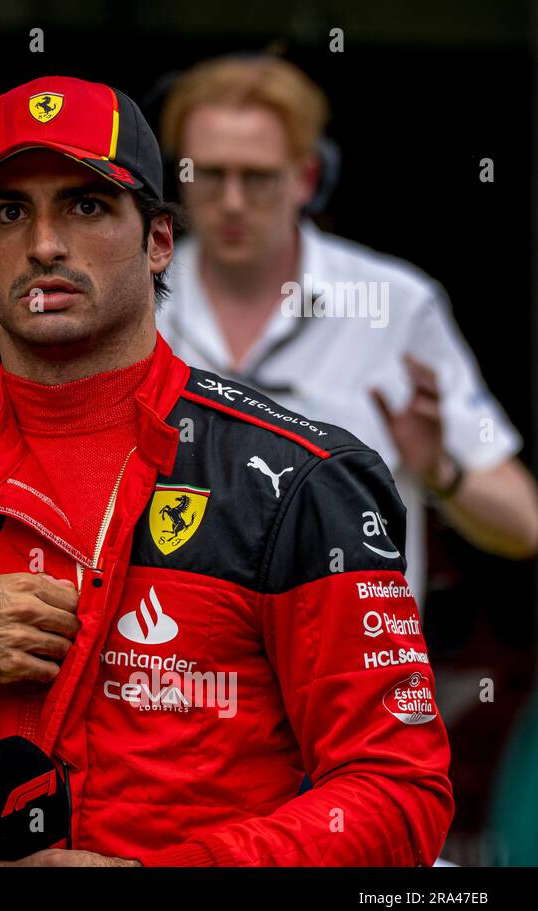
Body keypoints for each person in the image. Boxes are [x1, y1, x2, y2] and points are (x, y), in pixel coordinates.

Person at [0, 75, 453, 866]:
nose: (45, 243)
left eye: (86, 205)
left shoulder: (304, 480)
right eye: (9, 212)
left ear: (159, 241)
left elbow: (398, 792)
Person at [154, 54, 538, 604]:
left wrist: (440, 470)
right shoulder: (136, 303)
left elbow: (523, 524)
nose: (232, 201)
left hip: (358, 673)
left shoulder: (397, 305)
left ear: (306, 177)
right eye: (211, 174)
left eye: (258, 177)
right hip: (177, 675)